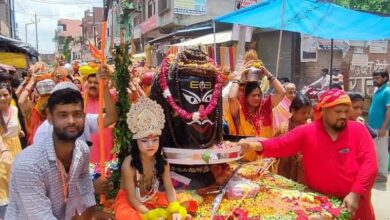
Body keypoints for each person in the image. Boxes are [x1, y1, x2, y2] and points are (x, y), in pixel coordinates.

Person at [239, 89, 377, 220]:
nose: (343, 116)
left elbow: (370, 163)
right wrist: (255, 145)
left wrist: (356, 193)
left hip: (355, 203)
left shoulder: (358, 130)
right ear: (324, 110)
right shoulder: (307, 131)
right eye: (338, 111)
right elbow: (281, 144)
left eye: (346, 111)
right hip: (321, 205)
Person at [5, 87, 113, 219]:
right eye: (63, 115)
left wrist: (91, 215)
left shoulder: (82, 150)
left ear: (84, 116)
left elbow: (85, 186)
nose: (71, 121)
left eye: (77, 114)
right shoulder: (29, 165)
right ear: (50, 117)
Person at [114, 97, 190, 220]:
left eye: (155, 140)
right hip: (130, 202)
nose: (151, 145)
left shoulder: (162, 161)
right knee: (126, 216)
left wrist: (175, 209)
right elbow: (132, 198)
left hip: (152, 197)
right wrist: (151, 215)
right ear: (136, 142)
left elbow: (169, 188)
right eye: (144, 141)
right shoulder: (129, 164)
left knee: (182, 203)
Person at [226, 65, 286, 138]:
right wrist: (238, 76)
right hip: (245, 149)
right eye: (253, 95)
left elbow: (282, 92)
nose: (257, 98)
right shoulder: (239, 111)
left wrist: (268, 74)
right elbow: (231, 97)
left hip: (266, 148)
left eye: (258, 95)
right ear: (246, 97)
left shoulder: (265, 107)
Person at [274, 94, 312, 183]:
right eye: (303, 112)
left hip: (304, 175)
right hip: (284, 173)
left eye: (308, 113)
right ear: (293, 110)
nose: (306, 116)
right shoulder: (283, 129)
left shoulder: (311, 128)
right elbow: (274, 152)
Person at [0, 83, 22, 219]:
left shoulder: (14, 109)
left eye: (5, 95)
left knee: (17, 177)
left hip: (16, 147)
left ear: (10, 95)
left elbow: (16, 125)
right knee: (2, 179)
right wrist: (4, 151)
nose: (2, 98)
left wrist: (20, 131)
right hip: (2, 149)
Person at [368, 70, 390, 183]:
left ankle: (382, 174)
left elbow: (389, 110)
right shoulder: (378, 90)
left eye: (377, 78)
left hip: (380, 128)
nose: (374, 80)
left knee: (381, 151)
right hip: (372, 127)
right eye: (374, 78)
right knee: (375, 151)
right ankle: (377, 172)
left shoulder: (387, 91)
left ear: (385, 78)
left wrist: (383, 128)